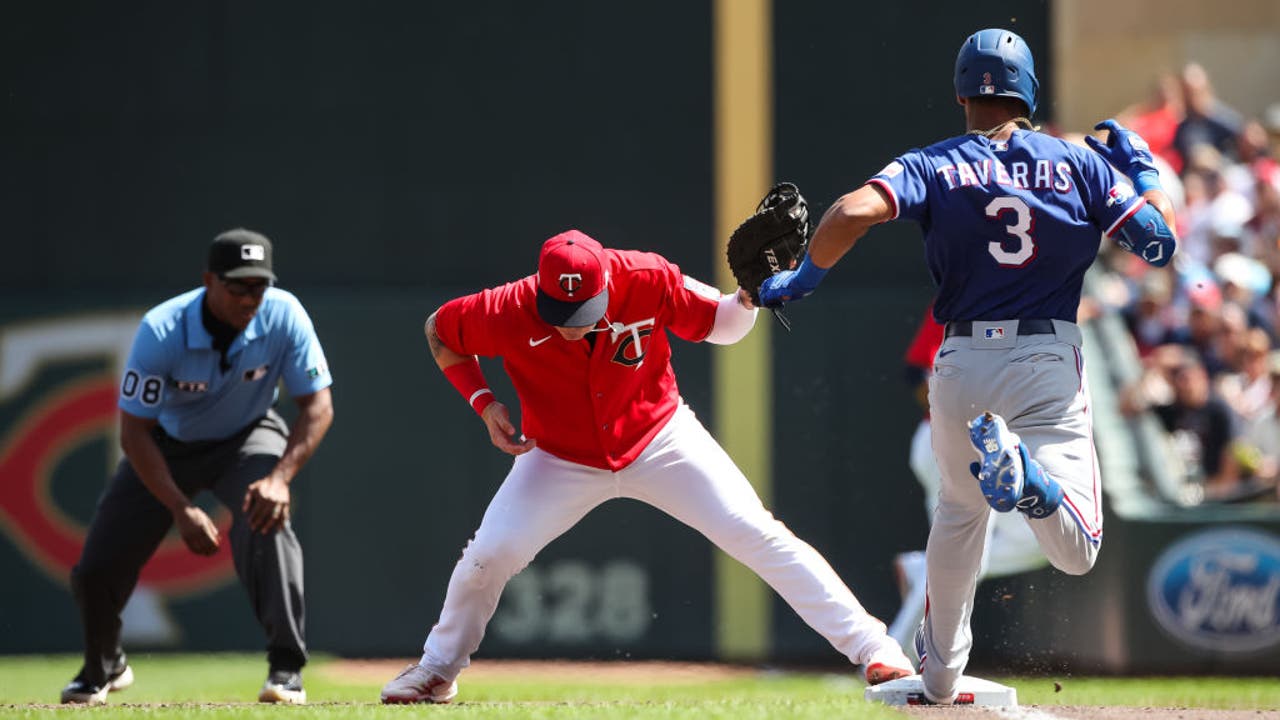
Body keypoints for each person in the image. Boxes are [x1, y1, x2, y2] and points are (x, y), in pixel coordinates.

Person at [758, 29, 1178, 703]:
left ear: (961, 94)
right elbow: (1157, 245)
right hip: (1045, 356)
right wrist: (1147, 175)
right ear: (1030, 91)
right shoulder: (1079, 162)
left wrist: (806, 277)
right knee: (1078, 549)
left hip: (959, 363)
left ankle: (942, 678)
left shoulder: (933, 163)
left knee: (957, 516)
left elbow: (851, 211)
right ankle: (1031, 481)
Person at [379, 229, 913, 704]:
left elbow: (722, 326)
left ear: (607, 282)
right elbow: (439, 332)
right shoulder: (505, 308)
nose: (571, 328)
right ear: (538, 290)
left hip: (660, 437)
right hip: (558, 456)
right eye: (559, 314)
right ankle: (437, 671)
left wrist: (748, 299)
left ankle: (875, 649)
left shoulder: (646, 276)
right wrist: (483, 402)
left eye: (583, 313)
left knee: (756, 532)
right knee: (488, 556)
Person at [61, 229, 335, 705]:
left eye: (259, 286)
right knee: (95, 569)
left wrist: (279, 478)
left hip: (249, 435)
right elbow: (134, 433)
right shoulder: (162, 329)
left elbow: (318, 406)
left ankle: (286, 670)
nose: (251, 298)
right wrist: (180, 508)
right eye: (238, 286)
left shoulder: (284, 313)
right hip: (167, 444)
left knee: (269, 522)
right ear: (209, 280)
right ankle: (102, 666)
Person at [887, 304, 1046, 655]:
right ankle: (893, 654)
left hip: (993, 446)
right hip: (954, 441)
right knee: (963, 559)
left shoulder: (1031, 309)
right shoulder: (961, 301)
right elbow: (916, 372)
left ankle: (920, 571)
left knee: (1039, 541)